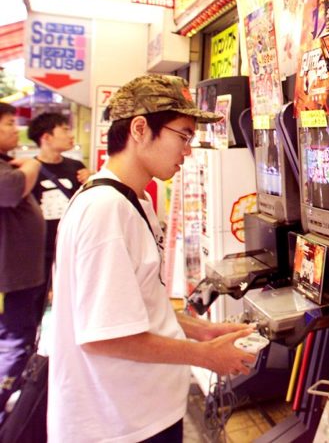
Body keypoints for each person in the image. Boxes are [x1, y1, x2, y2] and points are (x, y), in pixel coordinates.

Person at [47, 74, 256, 442]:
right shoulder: (105, 210)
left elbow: (134, 309)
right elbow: (104, 337)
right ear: (140, 129)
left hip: (141, 414)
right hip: (115, 427)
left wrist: (202, 330)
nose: (188, 150)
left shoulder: (133, 199)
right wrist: (205, 355)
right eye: (183, 135)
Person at [0, 103, 46, 424]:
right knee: (12, 343)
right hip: (9, 279)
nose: (15, 129)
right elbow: (13, 189)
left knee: (20, 337)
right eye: (8, 124)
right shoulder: (14, 167)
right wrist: (32, 165)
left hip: (21, 276)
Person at [28, 112, 90, 291]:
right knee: (35, 298)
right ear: (46, 137)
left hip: (71, 243)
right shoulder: (29, 169)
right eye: (64, 130)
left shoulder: (76, 167)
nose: (71, 135)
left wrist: (93, 179)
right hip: (39, 248)